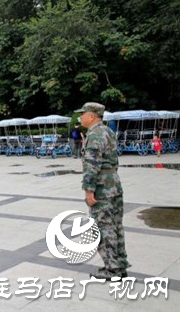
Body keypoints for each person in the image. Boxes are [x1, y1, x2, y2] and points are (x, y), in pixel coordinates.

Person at [76, 102, 130, 279]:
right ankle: (120, 265)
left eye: (83, 114)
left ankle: (112, 269)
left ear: (91, 116)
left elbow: (92, 166)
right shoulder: (108, 131)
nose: (80, 117)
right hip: (114, 185)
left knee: (103, 228)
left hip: (101, 189)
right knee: (115, 226)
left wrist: (89, 191)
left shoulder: (95, 135)